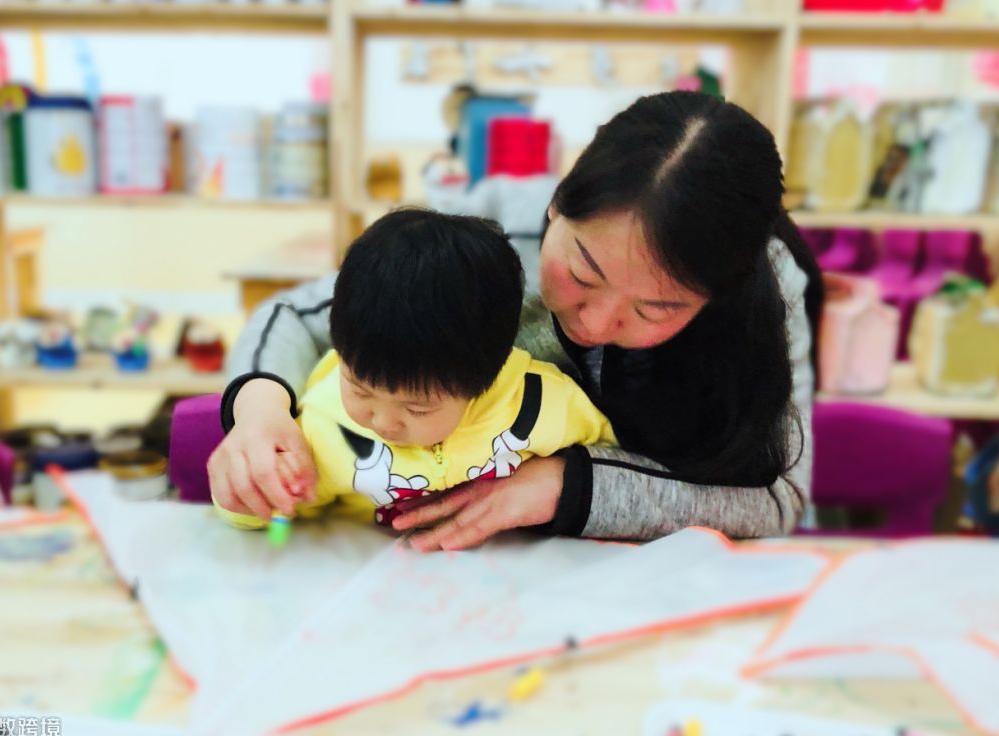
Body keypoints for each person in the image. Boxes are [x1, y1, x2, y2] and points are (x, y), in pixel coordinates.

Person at [208, 91, 823, 551]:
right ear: (557, 207)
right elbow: (299, 315)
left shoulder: (768, 290)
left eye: (654, 309)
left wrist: (568, 487)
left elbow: (778, 498)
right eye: (583, 274)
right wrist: (258, 412)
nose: (595, 324)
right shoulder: (494, 227)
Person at [211, 208, 615, 531]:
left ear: (487, 376)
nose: (383, 422)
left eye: (418, 408)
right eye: (360, 389)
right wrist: (253, 489)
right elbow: (259, 511)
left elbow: (611, 453)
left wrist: (565, 479)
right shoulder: (324, 429)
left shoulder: (543, 404)